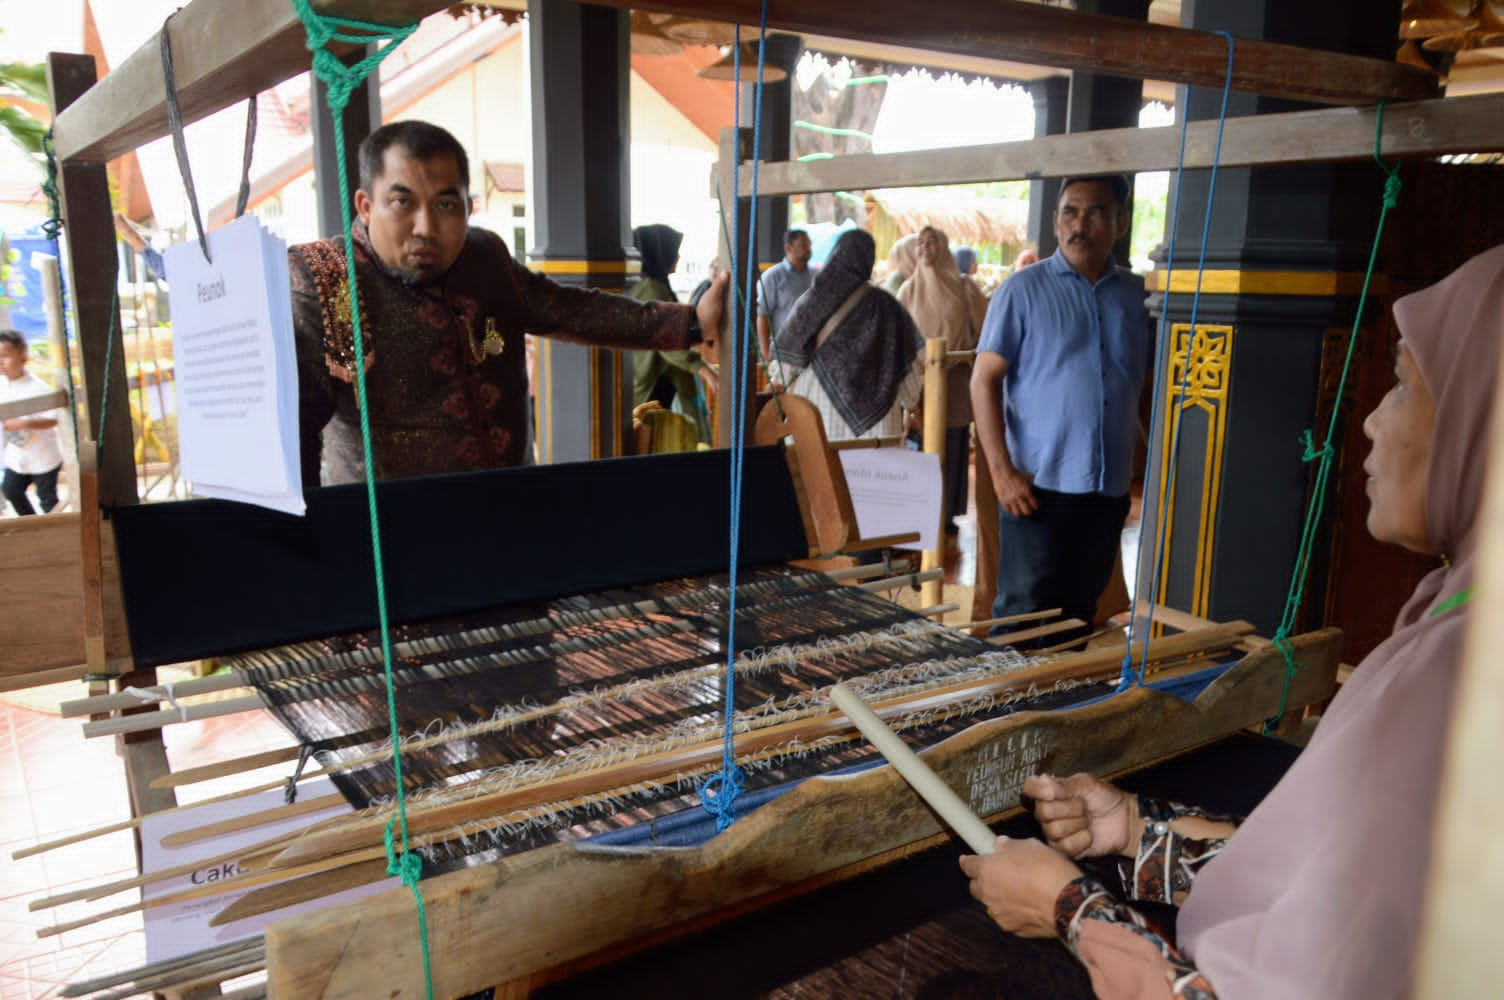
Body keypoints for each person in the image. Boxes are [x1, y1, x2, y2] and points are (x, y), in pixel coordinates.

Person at [959, 243, 1504, 999]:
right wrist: (1136, 832)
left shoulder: (1465, 674)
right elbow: (1347, 896)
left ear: (1486, 419)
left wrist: (1069, 909)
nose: (1373, 422)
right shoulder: (1460, 612)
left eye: (1404, 386)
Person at [289, 120, 725, 485]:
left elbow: (569, 309)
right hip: (392, 544)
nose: (425, 226)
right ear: (366, 205)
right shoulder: (325, 279)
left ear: (468, 207)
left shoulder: (484, 257)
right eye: (402, 202)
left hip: (513, 508)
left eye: (446, 204)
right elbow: (296, 431)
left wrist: (690, 323)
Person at [970, 175, 1150, 644]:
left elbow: (1137, 382)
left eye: (1096, 213)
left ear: (1121, 223)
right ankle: (1011, 715)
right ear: (1054, 221)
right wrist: (1001, 474)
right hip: (1036, 487)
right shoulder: (1022, 291)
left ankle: (1064, 713)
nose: (1080, 224)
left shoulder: (1137, 297)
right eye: (1070, 212)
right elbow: (983, 381)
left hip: (1106, 490)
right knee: (1021, 620)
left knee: (1078, 618)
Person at [769, 229, 923, 443]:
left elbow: (782, 370)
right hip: (877, 431)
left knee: (816, 476)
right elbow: (911, 385)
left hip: (816, 417)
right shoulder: (890, 307)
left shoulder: (813, 300)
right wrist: (910, 404)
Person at [898, 226, 989, 535]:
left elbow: (985, 332)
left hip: (954, 387)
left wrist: (963, 355)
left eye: (932, 242)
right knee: (921, 449)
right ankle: (919, 516)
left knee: (950, 449)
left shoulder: (965, 288)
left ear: (945, 248)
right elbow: (898, 341)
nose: (925, 248)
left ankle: (946, 515)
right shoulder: (907, 291)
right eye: (920, 243)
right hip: (920, 389)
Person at [629, 223, 712, 446]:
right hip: (655, 383)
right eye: (673, 250)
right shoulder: (651, 288)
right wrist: (704, 370)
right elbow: (666, 339)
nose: (678, 256)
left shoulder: (650, 285)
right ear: (659, 252)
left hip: (654, 380)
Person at [0, 330, 65, 516]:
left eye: (5, 356)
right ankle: (31, 523)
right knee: (11, 489)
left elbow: (54, 419)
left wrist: (24, 423)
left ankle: (55, 530)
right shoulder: (1, 385)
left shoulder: (38, 387)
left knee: (47, 499)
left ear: (23, 357)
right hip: (16, 456)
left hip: (44, 456)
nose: (1, 362)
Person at [755, 227, 815, 375]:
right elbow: (762, 316)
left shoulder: (816, 276)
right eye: (803, 245)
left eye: (809, 245)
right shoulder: (772, 277)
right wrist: (766, 357)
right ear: (788, 248)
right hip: (783, 354)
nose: (809, 249)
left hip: (811, 353)